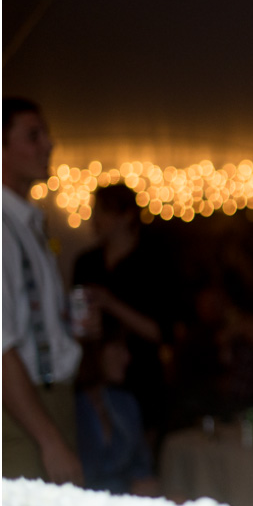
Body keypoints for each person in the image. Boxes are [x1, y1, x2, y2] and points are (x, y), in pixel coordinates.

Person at [2, 97, 84, 485]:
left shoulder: (27, 222)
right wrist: (50, 441)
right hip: (20, 415)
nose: (49, 145)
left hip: (53, 404)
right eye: (33, 136)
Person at [73, 183, 173, 459]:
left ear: (126, 215)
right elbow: (75, 323)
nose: (95, 220)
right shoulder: (87, 263)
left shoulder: (152, 262)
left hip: (141, 382)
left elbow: (161, 331)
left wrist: (110, 303)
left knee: (139, 462)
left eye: (102, 212)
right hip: (94, 381)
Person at [74, 323, 160, 496]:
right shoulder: (70, 408)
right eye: (117, 347)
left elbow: (141, 465)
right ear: (94, 351)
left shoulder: (124, 403)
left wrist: (147, 484)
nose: (127, 357)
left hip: (126, 505)